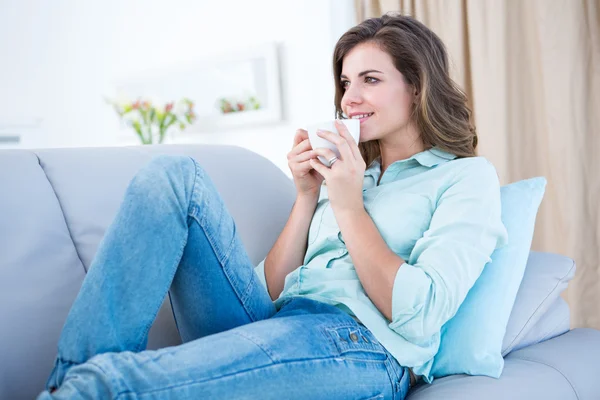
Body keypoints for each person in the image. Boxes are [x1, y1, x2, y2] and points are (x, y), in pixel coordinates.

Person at [38, 13, 507, 400]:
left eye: (370, 79)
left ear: (418, 87)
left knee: (116, 385)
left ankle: (82, 391)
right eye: (346, 82)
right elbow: (271, 294)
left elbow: (422, 314)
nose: (350, 98)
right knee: (173, 176)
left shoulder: (465, 178)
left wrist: (348, 208)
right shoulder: (350, 174)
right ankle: (68, 386)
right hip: (280, 322)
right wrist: (307, 197)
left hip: (360, 347)